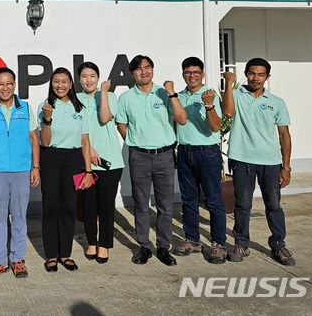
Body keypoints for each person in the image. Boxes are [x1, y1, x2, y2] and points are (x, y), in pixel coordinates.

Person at [222, 58, 295, 266]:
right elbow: (227, 112)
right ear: (246, 73)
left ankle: (278, 244)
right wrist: (228, 83)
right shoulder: (236, 95)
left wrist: (286, 167)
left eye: (261, 74)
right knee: (242, 205)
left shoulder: (276, 102)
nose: (256, 78)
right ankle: (241, 243)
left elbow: (284, 135)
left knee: (273, 205)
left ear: (267, 77)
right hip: (242, 160)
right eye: (252, 73)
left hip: (270, 162)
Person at [115, 55, 187, 266]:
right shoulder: (126, 98)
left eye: (147, 68)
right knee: (141, 205)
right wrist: (134, 141)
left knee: (165, 205)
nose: (143, 72)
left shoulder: (165, 93)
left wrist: (172, 94)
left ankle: (163, 247)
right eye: (138, 69)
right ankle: (144, 246)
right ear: (132, 73)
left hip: (165, 155)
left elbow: (182, 119)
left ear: (153, 70)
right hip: (139, 156)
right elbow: (121, 123)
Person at [0, 67, 41, 279]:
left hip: (22, 169)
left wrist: (35, 167)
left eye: (9, 83)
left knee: (20, 216)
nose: (5, 88)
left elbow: (34, 139)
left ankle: (17, 259)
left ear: (14, 85)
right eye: (0, 84)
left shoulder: (26, 108)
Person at [36, 67, 93, 272]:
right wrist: (48, 119)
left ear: (71, 84)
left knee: (69, 206)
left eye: (64, 81)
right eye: (56, 81)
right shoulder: (45, 106)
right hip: (51, 157)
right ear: (51, 84)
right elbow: (44, 141)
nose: (60, 85)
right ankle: (51, 255)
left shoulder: (81, 108)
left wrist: (88, 171)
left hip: (74, 158)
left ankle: (65, 254)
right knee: (51, 206)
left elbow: (85, 142)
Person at [172, 57, 227, 264]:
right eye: (188, 72)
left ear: (202, 74)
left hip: (208, 153)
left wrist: (209, 105)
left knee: (213, 200)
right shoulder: (179, 97)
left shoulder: (210, 95)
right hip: (185, 152)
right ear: (183, 74)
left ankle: (218, 243)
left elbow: (216, 127)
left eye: (196, 72)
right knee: (188, 200)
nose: (192, 75)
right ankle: (192, 240)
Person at [77, 62, 125, 264]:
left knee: (106, 205)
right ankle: (91, 242)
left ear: (98, 78)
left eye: (93, 76)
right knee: (87, 206)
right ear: (79, 79)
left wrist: (104, 92)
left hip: (110, 163)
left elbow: (105, 118)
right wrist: (89, 150)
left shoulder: (110, 96)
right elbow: (75, 129)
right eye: (84, 76)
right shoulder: (74, 100)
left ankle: (104, 244)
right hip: (84, 161)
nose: (88, 80)